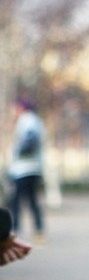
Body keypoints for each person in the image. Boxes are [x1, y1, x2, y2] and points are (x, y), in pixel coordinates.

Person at [8, 97, 46, 244]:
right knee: (32, 200)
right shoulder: (34, 120)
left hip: (24, 168)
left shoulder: (28, 120)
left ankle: (14, 231)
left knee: (17, 200)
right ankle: (38, 230)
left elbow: (30, 140)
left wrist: (20, 151)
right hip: (32, 167)